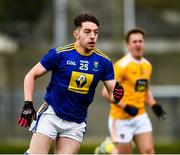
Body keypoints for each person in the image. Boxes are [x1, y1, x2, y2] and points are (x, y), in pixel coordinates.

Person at [17, 13, 124, 154]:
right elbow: (31, 75)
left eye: (96, 32)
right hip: (52, 114)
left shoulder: (104, 62)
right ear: (76, 34)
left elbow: (113, 95)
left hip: (76, 122)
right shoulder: (59, 54)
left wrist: (118, 95)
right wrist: (28, 104)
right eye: (87, 31)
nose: (92, 36)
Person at [94, 28, 167, 154]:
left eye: (140, 41)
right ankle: (107, 148)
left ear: (144, 43)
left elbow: (144, 89)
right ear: (127, 45)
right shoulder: (122, 66)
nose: (138, 44)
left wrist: (154, 105)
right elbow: (106, 93)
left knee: (149, 151)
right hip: (121, 119)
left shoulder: (147, 65)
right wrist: (125, 106)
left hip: (140, 116)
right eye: (134, 41)